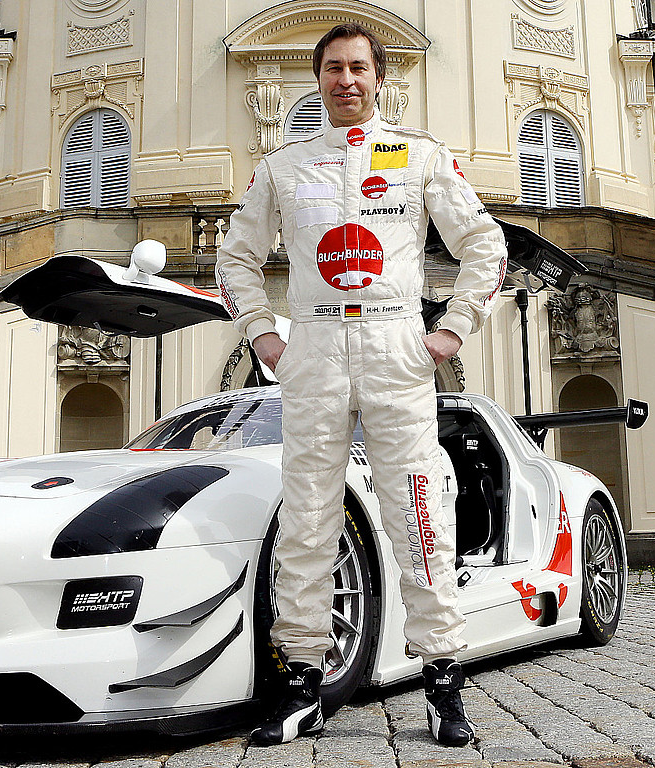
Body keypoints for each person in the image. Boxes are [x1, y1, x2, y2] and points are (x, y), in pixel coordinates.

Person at [214, 22, 508, 747]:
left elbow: (483, 243)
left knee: (419, 510)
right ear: (317, 79)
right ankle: (300, 683)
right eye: (333, 69)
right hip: (313, 349)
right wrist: (264, 335)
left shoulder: (420, 155)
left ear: (379, 78)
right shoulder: (283, 167)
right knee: (308, 517)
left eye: (358, 68)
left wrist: (452, 329)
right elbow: (235, 257)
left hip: (395, 346)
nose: (346, 80)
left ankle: (443, 680)